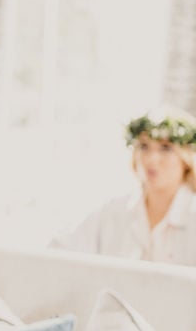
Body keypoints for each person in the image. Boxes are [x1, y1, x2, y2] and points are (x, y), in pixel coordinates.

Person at [51, 108, 196, 265]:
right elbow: (60, 249)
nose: (152, 159)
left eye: (166, 148)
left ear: (186, 158)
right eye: (144, 146)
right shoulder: (112, 211)